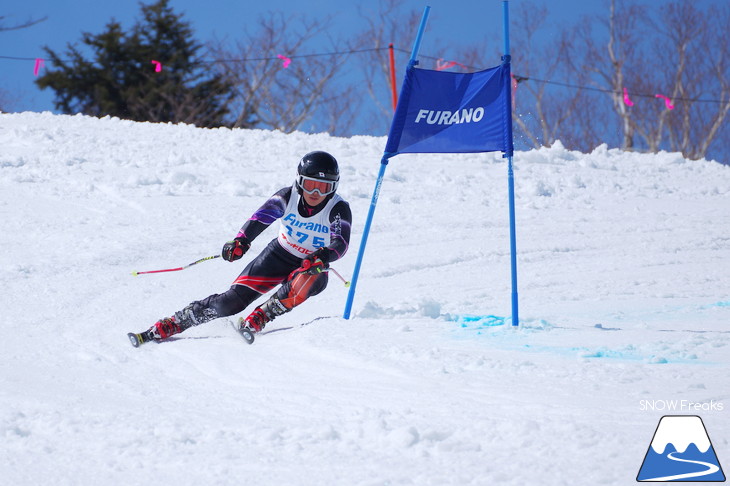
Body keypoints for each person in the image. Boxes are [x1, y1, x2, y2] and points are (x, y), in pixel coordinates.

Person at [128, 151, 352, 347]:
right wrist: (240, 241)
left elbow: (340, 242)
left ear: (333, 188)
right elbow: (260, 218)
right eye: (311, 185)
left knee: (307, 280)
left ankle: (262, 316)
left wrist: (323, 256)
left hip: (312, 265)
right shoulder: (287, 197)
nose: (316, 193)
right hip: (278, 255)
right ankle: (175, 322)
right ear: (299, 181)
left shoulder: (338, 208)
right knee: (230, 302)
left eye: (324, 188)